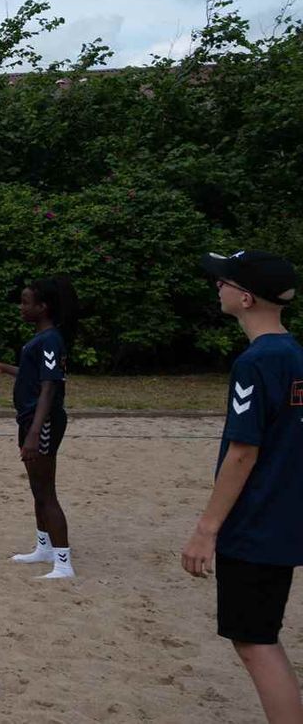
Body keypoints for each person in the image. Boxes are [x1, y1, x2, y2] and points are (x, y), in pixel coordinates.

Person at [180, 251, 303, 723]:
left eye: (224, 282)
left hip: (255, 524)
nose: (218, 287)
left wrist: (207, 529)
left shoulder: (256, 362)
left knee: (255, 642)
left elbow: (242, 452)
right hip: (283, 518)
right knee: (259, 635)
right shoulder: (294, 354)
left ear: (246, 298)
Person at [0, 277, 78, 580]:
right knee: (38, 489)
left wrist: (35, 432)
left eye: (26, 302)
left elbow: (49, 386)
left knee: (46, 492)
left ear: (43, 307)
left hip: (41, 421)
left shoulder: (50, 339)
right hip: (31, 419)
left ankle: (63, 563)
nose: (21, 307)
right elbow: (33, 375)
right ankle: (44, 547)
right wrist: (4, 367)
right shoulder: (41, 339)